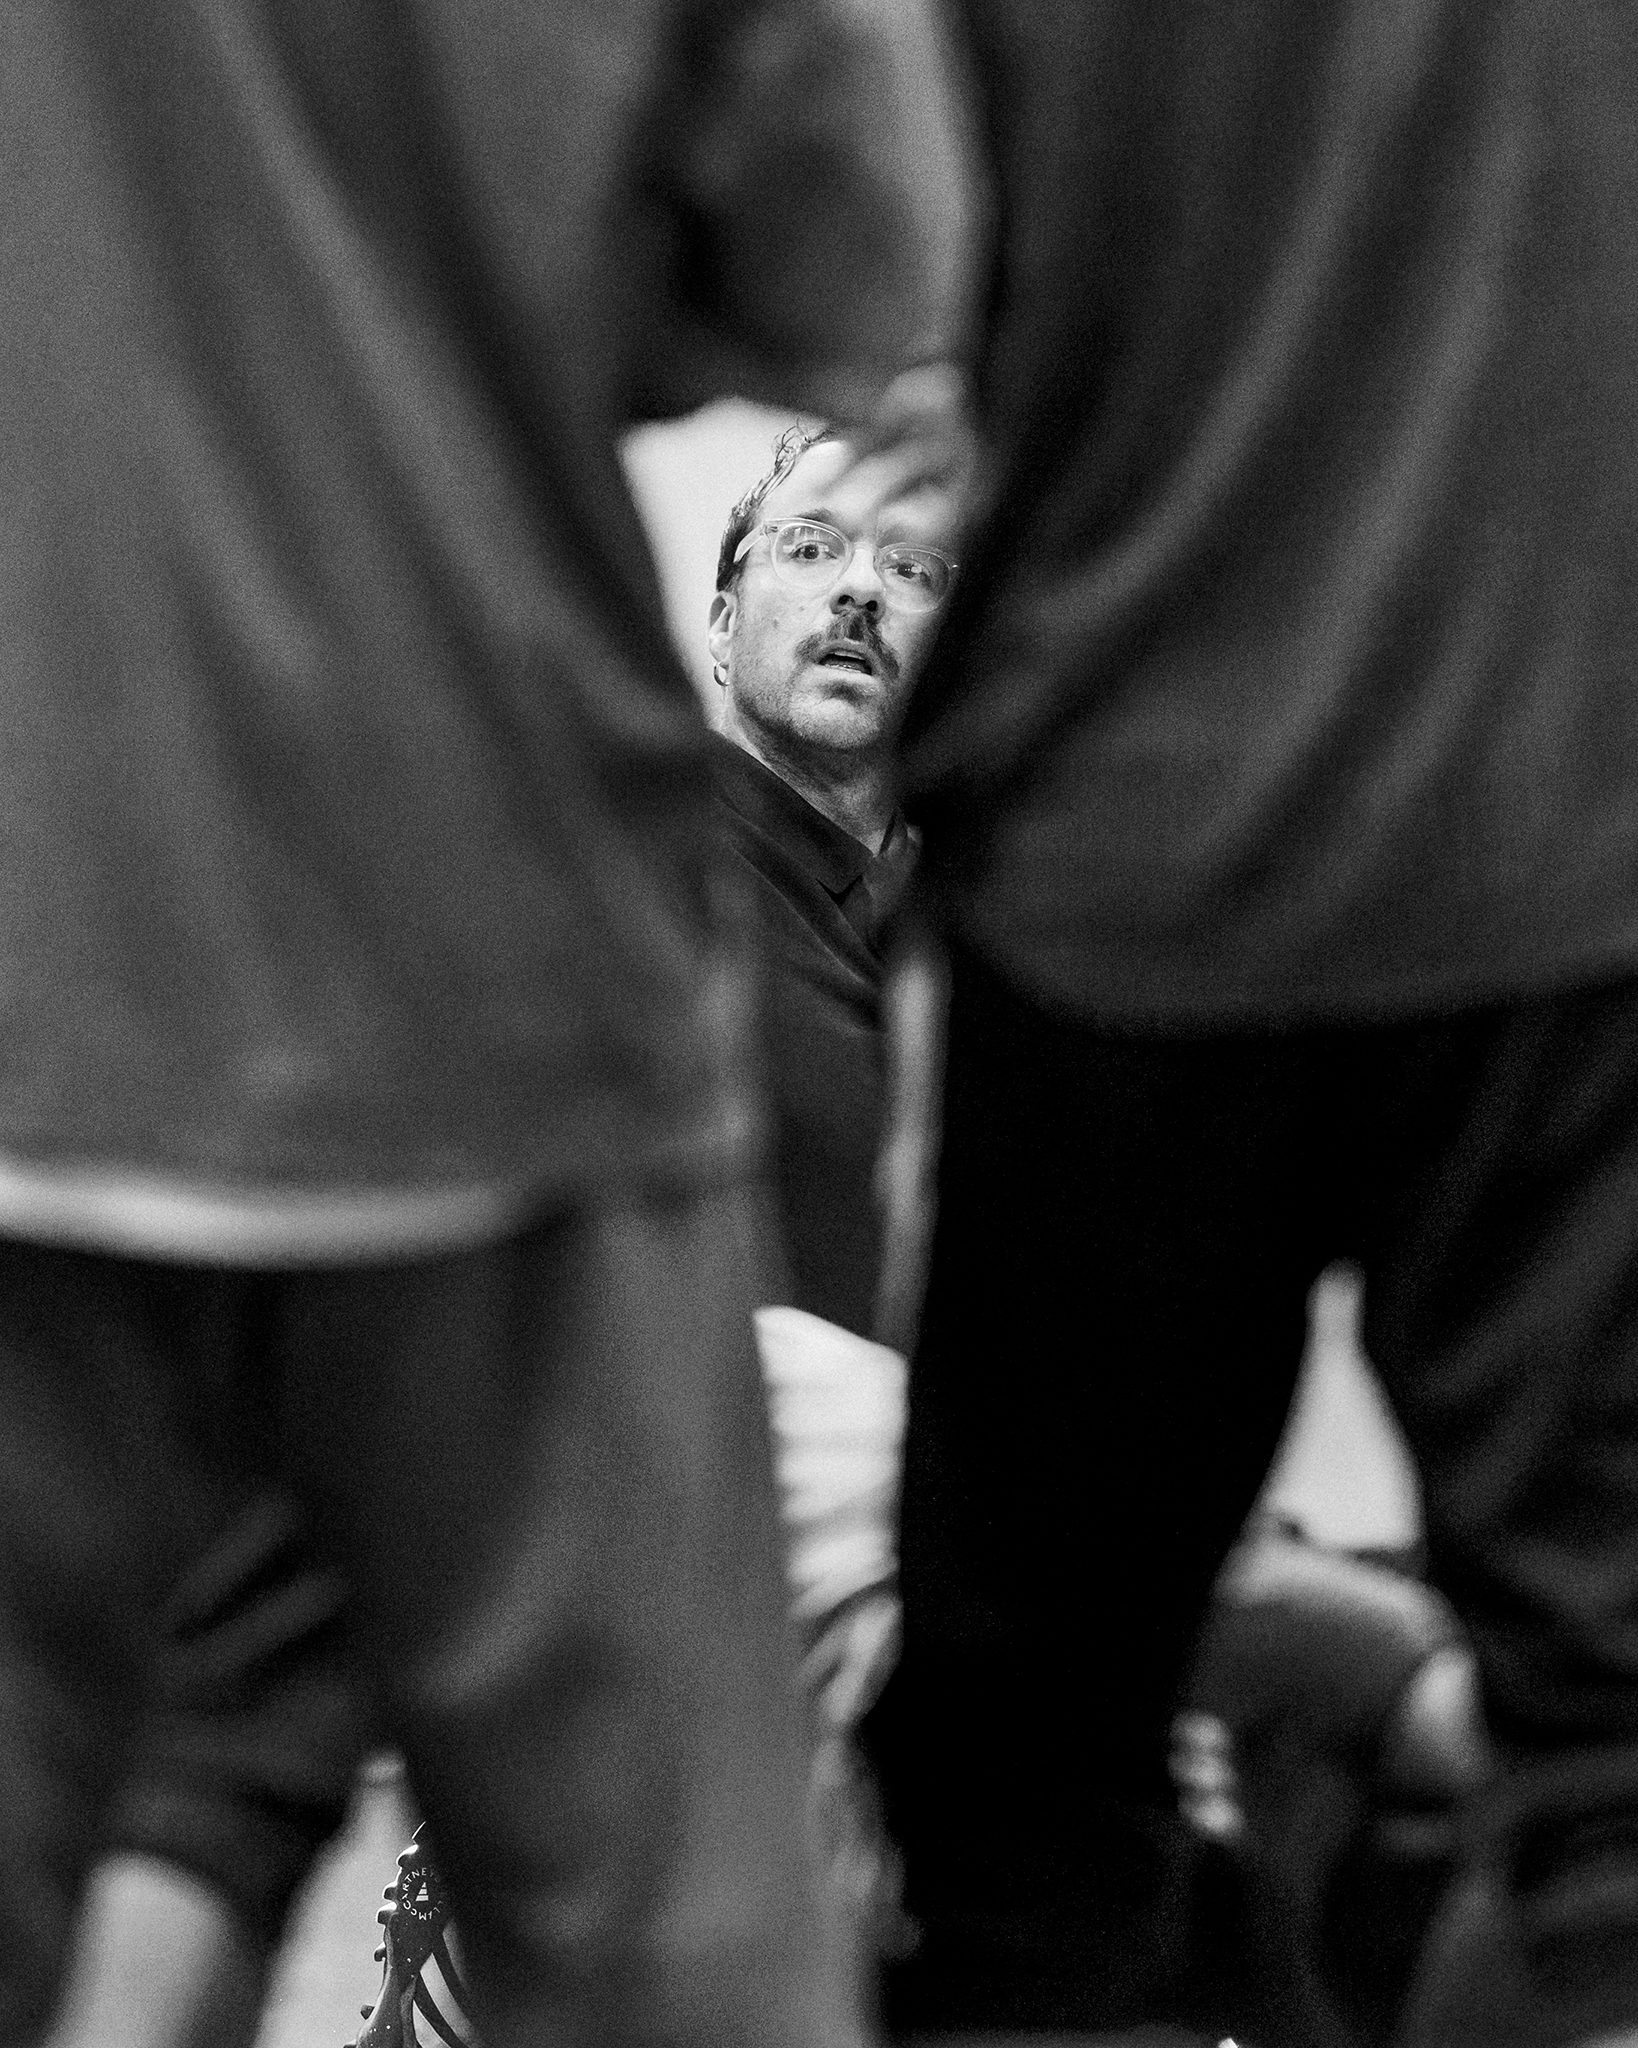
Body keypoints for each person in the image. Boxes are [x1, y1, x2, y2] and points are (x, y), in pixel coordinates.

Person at [0, 4, 981, 2045]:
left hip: (75, 896)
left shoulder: (880, 935)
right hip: (477, 962)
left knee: (188, 1774)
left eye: (900, 569)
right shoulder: (737, 899)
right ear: (726, 603)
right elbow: (852, 252)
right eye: (813, 552)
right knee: (659, 1933)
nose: (857, 595)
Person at [855, 4, 1638, 2046]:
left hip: (1130, 825)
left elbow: (814, 232)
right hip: (1550, 801)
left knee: (1026, 1810)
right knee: (1612, 1767)